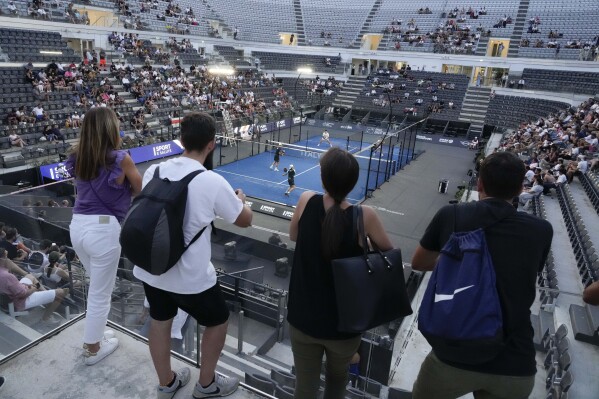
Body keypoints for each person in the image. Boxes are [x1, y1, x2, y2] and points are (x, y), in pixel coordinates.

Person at [411, 151, 553, 399]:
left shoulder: (451, 215)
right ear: (521, 188)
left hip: (453, 356)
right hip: (515, 362)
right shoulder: (541, 230)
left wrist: (458, 259)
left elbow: (420, 262)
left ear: (479, 183)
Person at [132, 112, 252, 399]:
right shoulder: (211, 181)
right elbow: (244, 220)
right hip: (190, 278)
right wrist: (240, 201)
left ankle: (167, 384)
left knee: (160, 321)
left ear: (181, 140)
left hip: (151, 269)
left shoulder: (154, 171)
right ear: (211, 144)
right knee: (218, 321)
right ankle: (206, 385)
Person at [287, 147, 393, 398]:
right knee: (337, 382)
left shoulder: (306, 200)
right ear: (353, 183)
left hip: (303, 319)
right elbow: (389, 254)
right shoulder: (364, 216)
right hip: (345, 325)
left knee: (305, 386)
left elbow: (294, 235)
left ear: (323, 177)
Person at [66, 107, 142, 366]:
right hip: (103, 231)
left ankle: (95, 334)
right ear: (111, 129)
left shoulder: (77, 157)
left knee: (97, 287)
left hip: (77, 226)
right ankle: (93, 349)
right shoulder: (122, 158)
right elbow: (139, 187)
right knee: (101, 292)